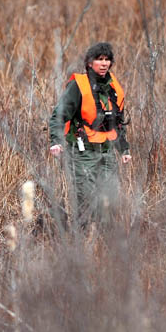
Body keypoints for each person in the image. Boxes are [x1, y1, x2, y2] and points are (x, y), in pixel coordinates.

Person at [48, 42, 131, 228]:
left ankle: (104, 246)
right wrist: (56, 141)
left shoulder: (113, 87)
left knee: (109, 202)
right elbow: (59, 115)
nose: (104, 64)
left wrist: (124, 149)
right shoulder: (79, 85)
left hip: (107, 153)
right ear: (89, 63)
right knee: (85, 202)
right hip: (82, 153)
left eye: (107, 60)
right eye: (99, 60)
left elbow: (117, 122)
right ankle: (82, 244)